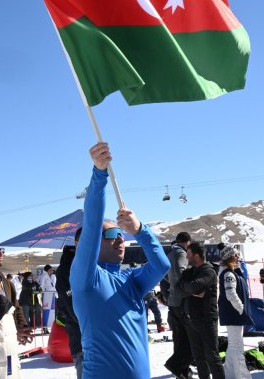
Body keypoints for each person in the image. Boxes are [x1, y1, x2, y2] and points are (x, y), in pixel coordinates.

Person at [70, 142, 171, 379]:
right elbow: (92, 224)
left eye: (121, 235)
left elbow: (162, 266)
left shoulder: (131, 280)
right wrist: (99, 174)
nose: (119, 240)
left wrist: (140, 230)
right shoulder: (87, 279)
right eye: (112, 235)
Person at [177, 242, 224, 379]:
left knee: (212, 357)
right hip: (191, 320)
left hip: (206, 320)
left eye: (189, 254)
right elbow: (179, 288)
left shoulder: (209, 271)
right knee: (199, 358)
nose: (186, 256)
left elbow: (191, 286)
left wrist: (188, 288)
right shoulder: (189, 272)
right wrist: (190, 289)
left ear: (196, 256)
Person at [218, 246, 253, 379]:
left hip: (234, 314)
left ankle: (230, 374)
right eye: (236, 255)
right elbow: (231, 294)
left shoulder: (235, 271)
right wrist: (241, 308)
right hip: (233, 314)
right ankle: (241, 376)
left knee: (234, 345)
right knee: (237, 346)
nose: (239, 257)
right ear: (229, 257)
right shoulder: (228, 274)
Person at [164, 231, 194, 379]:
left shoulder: (170, 253)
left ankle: (182, 372)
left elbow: (166, 275)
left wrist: (173, 286)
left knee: (179, 338)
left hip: (173, 301)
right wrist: (191, 288)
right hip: (182, 301)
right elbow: (181, 273)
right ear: (187, 242)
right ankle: (176, 365)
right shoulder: (181, 254)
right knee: (190, 337)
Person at [54, 227, 84, 377]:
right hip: (84, 343)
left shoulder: (95, 263)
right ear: (78, 243)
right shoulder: (67, 270)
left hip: (105, 343)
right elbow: (74, 310)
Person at [37, 264, 57, 331]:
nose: (52, 271)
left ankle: (50, 325)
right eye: (50, 270)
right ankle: (45, 327)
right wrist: (41, 296)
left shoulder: (52, 276)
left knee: (52, 312)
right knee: (46, 311)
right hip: (46, 296)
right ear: (48, 270)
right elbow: (41, 286)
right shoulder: (44, 276)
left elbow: (53, 286)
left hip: (52, 295)